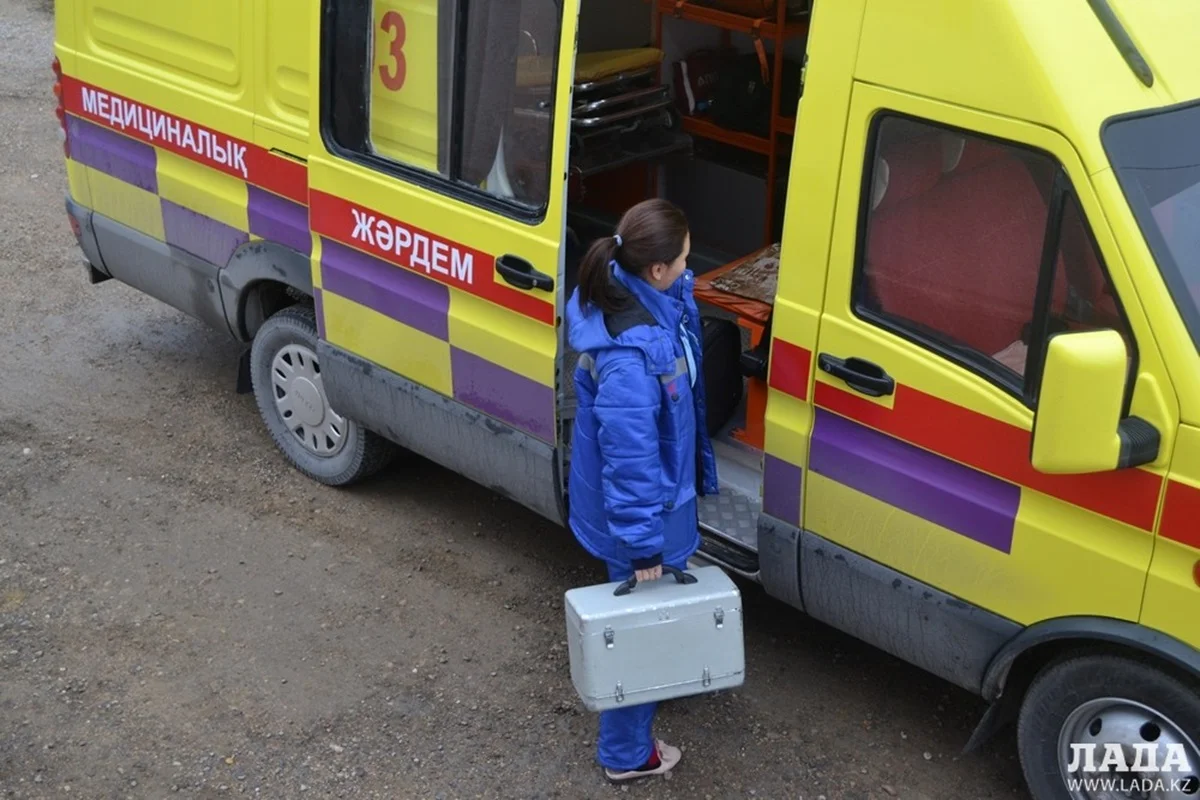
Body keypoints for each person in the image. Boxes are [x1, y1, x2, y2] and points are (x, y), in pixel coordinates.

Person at [564, 198, 719, 782]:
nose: (688, 266)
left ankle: (644, 711)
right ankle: (627, 755)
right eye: (682, 259)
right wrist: (643, 549)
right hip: (640, 521)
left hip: (655, 508)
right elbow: (630, 464)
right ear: (656, 269)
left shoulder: (635, 291)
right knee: (638, 635)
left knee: (648, 625)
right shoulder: (631, 360)